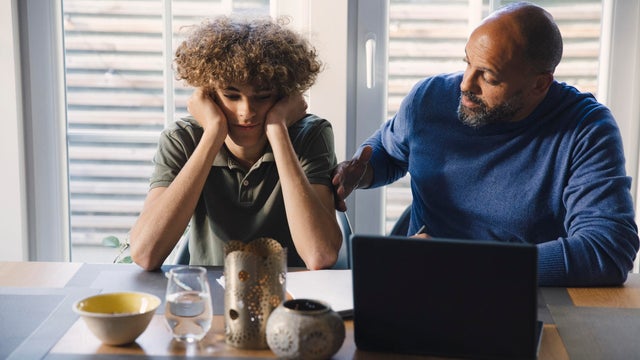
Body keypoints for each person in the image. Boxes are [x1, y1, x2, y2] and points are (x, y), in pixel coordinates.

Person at [332, 2, 639, 287]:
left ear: (539, 84)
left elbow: (607, 249)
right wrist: (363, 170)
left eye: (488, 77)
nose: (465, 84)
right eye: (467, 63)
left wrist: (459, 263)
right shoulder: (429, 98)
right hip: (420, 285)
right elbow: (389, 151)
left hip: (518, 294)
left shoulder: (585, 129)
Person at [130, 15, 342, 271]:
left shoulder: (311, 135)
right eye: (231, 95)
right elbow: (145, 254)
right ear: (207, 93)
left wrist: (278, 130)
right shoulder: (182, 139)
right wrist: (213, 134)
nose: (246, 111)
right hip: (209, 299)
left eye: (263, 97)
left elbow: (320, 255)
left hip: (289, 299)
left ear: (284, 94)